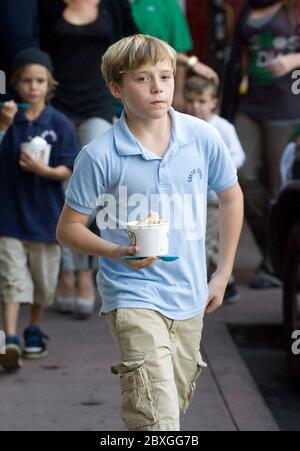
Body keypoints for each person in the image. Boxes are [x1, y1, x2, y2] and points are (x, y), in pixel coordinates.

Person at [56, 34, 244, 431]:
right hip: (131, 295)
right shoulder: (99, 155)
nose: (158, 87)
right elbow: (69, 229)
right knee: (156, 418)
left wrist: (222, 274)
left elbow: (231, 198)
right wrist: (117, 251)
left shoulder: (202, 136)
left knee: (170, 404)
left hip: (191, 296)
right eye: (142, 79)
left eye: (165, 76)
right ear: (116, 88)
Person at [38, 0, 139, 318]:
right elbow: (37, 52)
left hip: (98, 102)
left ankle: (86, 272)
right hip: (60, 103)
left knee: (96, 193)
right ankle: (69, 273)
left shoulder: (113, 5)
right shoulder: (48, 6)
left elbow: (133, 45)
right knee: (65, 191)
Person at [0, 48, 79, 371]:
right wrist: (4, 125)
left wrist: (44, 171)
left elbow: (69, 167)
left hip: (46, 217)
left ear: (50, 84)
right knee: (11, 279)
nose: (33, 87)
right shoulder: (7, 117)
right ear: (17, 84)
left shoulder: (58, 122)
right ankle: (10, 338)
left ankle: (34, 328)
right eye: (27, 81)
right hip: (8, 215)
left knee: (43, 282)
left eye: (40, 81)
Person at [221, 0, 300, 289]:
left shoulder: (293, 8)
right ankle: (273, 251)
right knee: (239, 176)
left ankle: (275, 265)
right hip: (250, 104)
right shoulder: (248, 8)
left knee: (283, 187)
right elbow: (236, 57)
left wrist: (293, 61)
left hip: (288, 107)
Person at [184, 75, 245, 302]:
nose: (195, 106)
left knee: (207, 240)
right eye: (190, 101)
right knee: (200, 239)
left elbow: (239, 154)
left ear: (213, 102)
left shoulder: (222, 127)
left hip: (213, 198)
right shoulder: (183, 126)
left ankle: (220, 284)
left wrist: (220, 170)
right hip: (189, 198)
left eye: (201, 101)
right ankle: (224, 283)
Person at [128, 0, 219, 112]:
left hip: (155, 94)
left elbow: (179, 47)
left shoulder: (167, 3)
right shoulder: (109, 5)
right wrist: (191, 62)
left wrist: (178, 92)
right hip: (116, 95)